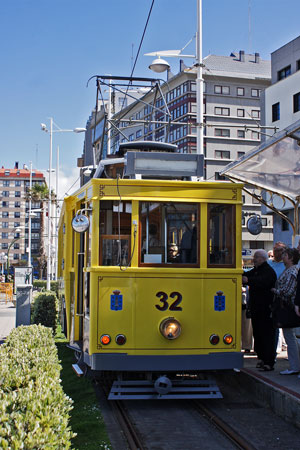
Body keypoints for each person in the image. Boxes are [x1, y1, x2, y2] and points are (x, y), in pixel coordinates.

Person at [242, 249, 277, 371]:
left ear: (262, 259)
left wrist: (249, 281)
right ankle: (261, 358)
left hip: (265, 308)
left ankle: (269, 361)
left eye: (256, 257)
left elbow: (262, 282)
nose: (254, 260)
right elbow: (246, 275)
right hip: (256, 308)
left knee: (267, 335)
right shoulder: (256, 270)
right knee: (258, 334)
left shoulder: (268, 271)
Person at [271, 247, 300, 375]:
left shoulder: (292, 271)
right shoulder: (289, 270)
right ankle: (295, 365)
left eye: (285, 255)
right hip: (288, 307)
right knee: (290, 337)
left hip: (288, 308)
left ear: (291, 258)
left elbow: (288, 291)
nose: (283, 257)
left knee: (290, 337)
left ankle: (295, 366)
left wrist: (275, 291)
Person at [268, 242, 287, 355]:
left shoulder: (287, 265)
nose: (276, 252)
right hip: (270, 298)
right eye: (275, 249)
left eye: (279, 250)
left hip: (283, 299)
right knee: (273, 327)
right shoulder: (268, 263)